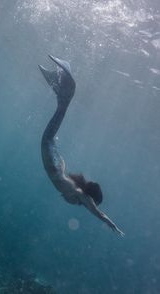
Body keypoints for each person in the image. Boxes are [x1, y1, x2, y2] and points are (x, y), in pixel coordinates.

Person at [39, 55, 124, 237]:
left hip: (54, 161)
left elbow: (93, 209)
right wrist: (111, 224)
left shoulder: (78, 195)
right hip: (52, 162)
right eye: (93, 203)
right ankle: (65, 95)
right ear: (91, 198)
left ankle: (61, 92)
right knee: (49, 135)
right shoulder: (83, 197)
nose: (90, 207)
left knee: (49, 136)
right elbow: (98, 213)